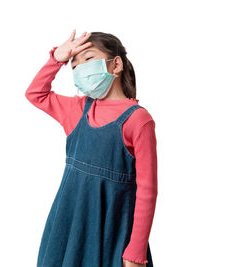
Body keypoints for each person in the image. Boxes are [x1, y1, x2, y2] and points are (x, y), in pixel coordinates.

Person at [25, 30, 158, 267]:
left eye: (87, 59)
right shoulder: (77, 110)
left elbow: (147, 191)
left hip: (111, 231)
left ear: (115, 64)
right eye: (74, 66)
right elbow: (36, 94)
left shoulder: (138, 120)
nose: (80, 69)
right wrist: (57, 57)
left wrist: (136, 251)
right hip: (68, 225)